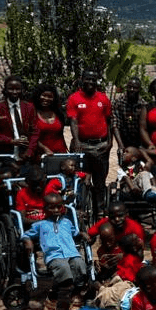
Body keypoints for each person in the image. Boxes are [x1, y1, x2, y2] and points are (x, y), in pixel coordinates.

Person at [22, 192, 89, 310]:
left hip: (71, 253)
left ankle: (76, 295)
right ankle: (52, 298)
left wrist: (82, 234)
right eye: (52, 207)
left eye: (59, 207)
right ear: (45, 209)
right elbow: (26, 234)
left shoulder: (67, 222)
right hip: (54, 256)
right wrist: (28, 242)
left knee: (80, 265)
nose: (56, 210)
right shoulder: (41, 225)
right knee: (63, 268)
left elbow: (75, 233)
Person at [67, 70, 112, 216]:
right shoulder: (74, 98)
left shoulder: (103, 98)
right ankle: (80, 209)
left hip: (100, 145)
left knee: (100, 181)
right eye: (88, 79)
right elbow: (73, 121)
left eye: (93, 80)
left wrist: (110, 142)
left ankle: (100, 210)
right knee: (80, 179)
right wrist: (77, 140)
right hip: (83, 145)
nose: (91, 82)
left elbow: (109, 120)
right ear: (82, 80)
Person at [0, 76, 37, 160]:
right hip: (6, 153)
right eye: (11, 89)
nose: (14, 92)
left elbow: (35, 131)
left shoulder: (29, 107)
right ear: (5, 90)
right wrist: (11, 141)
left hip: (26, 154)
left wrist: (29, 151)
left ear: (22, 90)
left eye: (18, 89)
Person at [111, 77, 148, 165]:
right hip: (124, 141)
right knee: (124, 169)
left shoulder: (143, 104)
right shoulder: (118, 103)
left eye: (134, 88)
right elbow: (115, 124)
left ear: (139, 89)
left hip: (140, 142)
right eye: (130, 87)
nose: (132, 90)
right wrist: (120, 145)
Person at [31, 83, 68, 159]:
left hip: (60, 153)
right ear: (38, 96)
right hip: (40, 155)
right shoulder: (31, 113)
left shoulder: (58, 113)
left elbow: (60, 134)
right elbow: (29, 136)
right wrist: (44, 148)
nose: (46, 98)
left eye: (50, 96)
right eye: (44, 95)